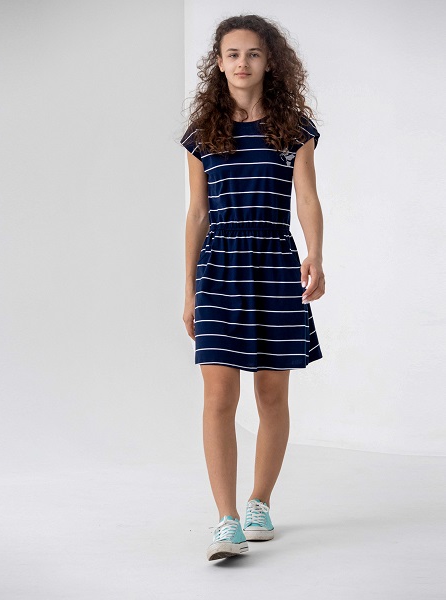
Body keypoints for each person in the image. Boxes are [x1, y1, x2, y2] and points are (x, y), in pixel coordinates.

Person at [179, 14, 326, 561]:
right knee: (218, 395)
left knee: (271, 395)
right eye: (233, 54)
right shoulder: (202, 133)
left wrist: (316, 255)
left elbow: (306, 198)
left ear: (270, 62)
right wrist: (189, 290)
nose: (243, 63)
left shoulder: (294, 129)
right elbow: (197, 213)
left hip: (275, 266)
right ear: (219, 64)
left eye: (254, 54)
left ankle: (259, 502)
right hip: (219, 268)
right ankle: (227, 519)